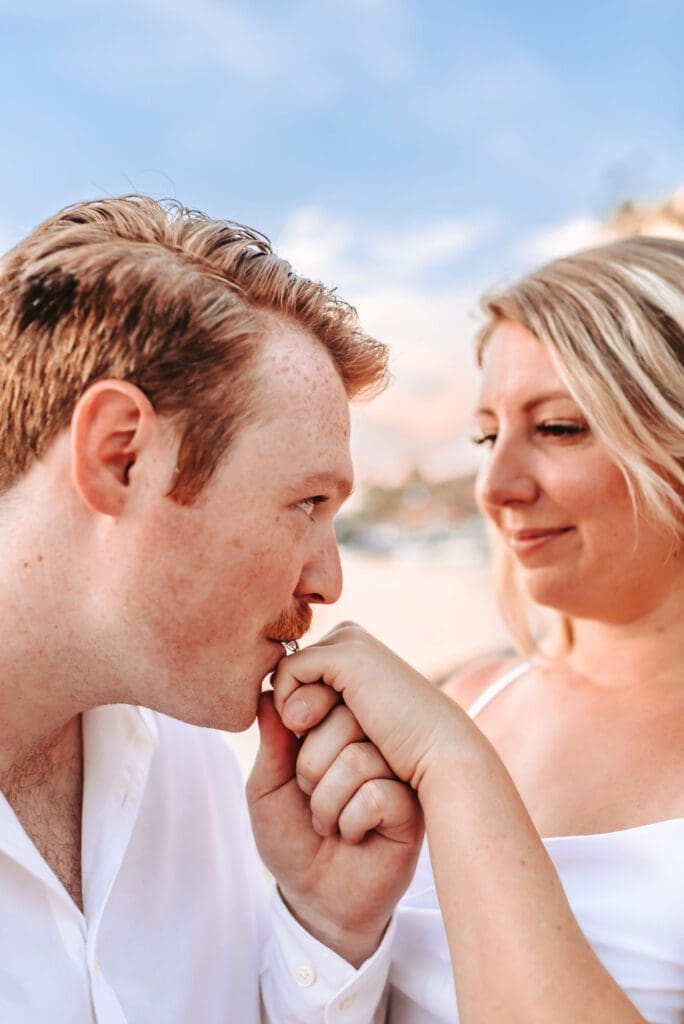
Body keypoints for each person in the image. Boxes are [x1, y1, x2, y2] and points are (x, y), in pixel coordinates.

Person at [0, 194, 424, 1023]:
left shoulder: (188, 753)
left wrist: (328, 923)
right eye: (307, 501)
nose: (329, 581)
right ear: (120, 457)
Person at [273, 236, 684, 1023]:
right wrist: (326, 922)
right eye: (488, 436)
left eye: (559, 428)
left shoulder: (442, 733)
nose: (494, 487)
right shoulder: (474, 693)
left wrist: (455, 767)